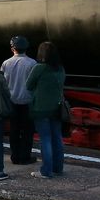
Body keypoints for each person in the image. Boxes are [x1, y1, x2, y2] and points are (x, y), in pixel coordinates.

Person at [26, 41, 66, 179]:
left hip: (41, 109)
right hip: (56, 108)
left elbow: (28, 85)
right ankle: (58, 167)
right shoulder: (60, 69)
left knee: (45, 139)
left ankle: (46, 171)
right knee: (57, 138)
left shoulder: (39, 68)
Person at [1, 36, 38, 165]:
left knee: (14, 129)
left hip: (12, 101)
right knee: (28, 131)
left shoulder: (6, 63)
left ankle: (15, 156)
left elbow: (3, 82)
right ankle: (25, 156)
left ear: (13, 48)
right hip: (27, 101)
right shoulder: (32, 63)